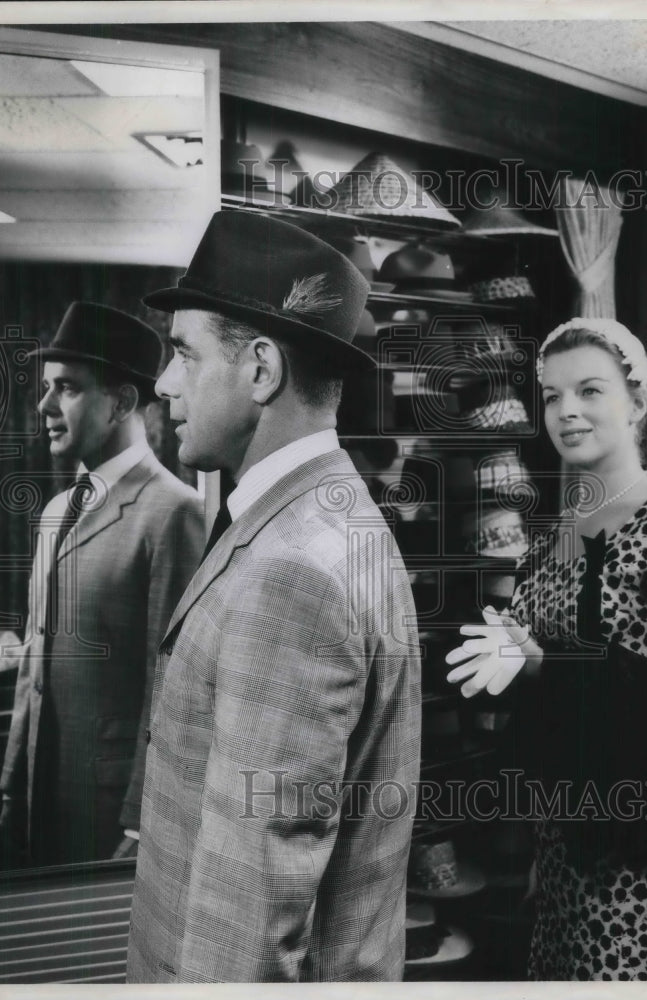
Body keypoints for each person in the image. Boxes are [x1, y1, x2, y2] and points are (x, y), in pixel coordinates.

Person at [126, 212, 421, 983]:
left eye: (183, 352)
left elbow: (245, 918)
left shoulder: (293, 570)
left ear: (260, 370)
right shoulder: (317, 518)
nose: (162, 383)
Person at [446, 318, 647, 981]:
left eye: (590, 390)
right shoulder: (549, 540)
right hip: (562, 847)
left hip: (644, 856)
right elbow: (548, 696)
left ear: (636, 403)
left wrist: (555, 671)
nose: (566, 411)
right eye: (550, 396)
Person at [0, 301, 205, 867]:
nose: (44, 406)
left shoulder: (174, 513)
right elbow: (34, 670)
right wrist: (13, 784)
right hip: (43, 793)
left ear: (123, 401)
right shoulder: (55, 512)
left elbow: (176, 691)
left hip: (113, 815)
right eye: (45, 388)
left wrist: (142, 828)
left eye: (66, 388)